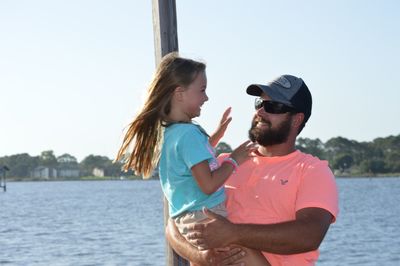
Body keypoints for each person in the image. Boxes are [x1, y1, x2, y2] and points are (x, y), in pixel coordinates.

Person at [166, 74, 339, 266]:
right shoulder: (223, 164)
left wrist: (233, 233)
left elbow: (309, 235)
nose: (261, 112)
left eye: (273, 106)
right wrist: (202, 257)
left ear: (297, 119)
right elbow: (173, 226)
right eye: (259, 103)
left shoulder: (312, 170)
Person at [115, 52, 269, 265]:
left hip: (186, 220)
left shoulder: (172, 133)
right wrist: (234, 159)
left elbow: (191, 161)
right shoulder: (188, 134)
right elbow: (208, 184)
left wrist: (215, 136)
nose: (206, 98)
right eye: (202, 90)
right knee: (254, 260)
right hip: (205, 216)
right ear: (179, 93)